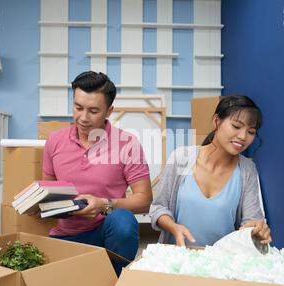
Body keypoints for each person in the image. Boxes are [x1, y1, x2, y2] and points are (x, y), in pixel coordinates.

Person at [43, 71, 153, 275]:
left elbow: (144, 200)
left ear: (109, 111)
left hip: (107, 232)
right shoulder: (54, 141)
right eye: (78, 108)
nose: (83, 118)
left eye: (93, 111)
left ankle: (117, 283)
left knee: (123, 221)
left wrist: (104, 204)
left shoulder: (127, 144)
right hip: (66, 234)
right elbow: (48, 192)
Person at [149, 95, 271, 247]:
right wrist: (173, 227)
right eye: (236, 126)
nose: (242, 136)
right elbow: (158, 207)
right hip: (177, 259)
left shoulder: (247, 170)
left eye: (251, 132)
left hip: (220, 262)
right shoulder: (181, 157)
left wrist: (257, 229)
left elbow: (251, 220)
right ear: (216, 121)